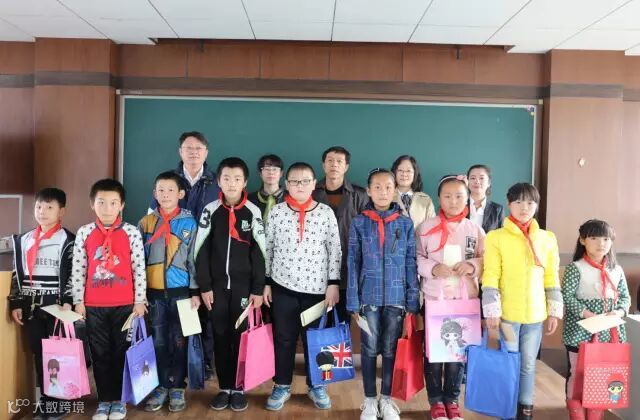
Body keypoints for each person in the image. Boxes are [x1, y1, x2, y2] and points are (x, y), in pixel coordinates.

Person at [263, 162, 342, 412]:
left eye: (305, 181)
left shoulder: (325, 213)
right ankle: (282, 384)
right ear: (286, 184)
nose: (300, 186)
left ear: (313, 184)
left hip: (317, 291)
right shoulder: (276, 212)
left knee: (315, 340)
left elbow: (335, 250)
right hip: (282, 287)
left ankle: (316, 384)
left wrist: (333, 283)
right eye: (295, 181)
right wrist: (266, 282)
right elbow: (268, 248)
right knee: (284, 338)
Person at [482, 182, 563, 420]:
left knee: (528, 364)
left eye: (529, 202)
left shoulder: (547, 238)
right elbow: (491, 275)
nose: (524, 207)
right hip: (507, 316)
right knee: (508, 363)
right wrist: (492, 311)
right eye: (518, 202)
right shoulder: (495, 237)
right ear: (508, 204)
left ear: (536, 205)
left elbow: (551, 275)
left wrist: (554, 310)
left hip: (535, 316)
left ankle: (525, 411)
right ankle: (506, 410)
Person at [70, 179, 147, 420]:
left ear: (121, 205)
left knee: (122, 352)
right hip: (94, 305)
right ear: (92, 204)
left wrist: (140, 300)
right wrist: (78, 301)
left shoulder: (131, 232)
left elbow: (138, 268)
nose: (107, 208)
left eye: (113, 203)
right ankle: (105, 400)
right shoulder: (84, 232)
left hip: (125, 305)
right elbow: (79, 269)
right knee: (99, 353)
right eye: (101, 202)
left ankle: (120, 400)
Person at [194, 157, 266, 412]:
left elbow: (260, 253)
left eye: (237, 179)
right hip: (215, 290)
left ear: (245, 182)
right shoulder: (210, 210)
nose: (232, 183)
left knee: (241, 337)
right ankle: (224, 387)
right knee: (220, 335)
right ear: (218, 181)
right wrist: (204, 286)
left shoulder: (253, 212)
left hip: (243, 289)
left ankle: (239, 388)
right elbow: (200, 250)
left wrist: (257, 289)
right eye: (226, 178)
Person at [347, 168, 419, 420]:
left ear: (395, 190)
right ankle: (369, 401)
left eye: (388, 187)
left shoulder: (405, 223)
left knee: (390, 349)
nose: (382, 192)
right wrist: (353, 299)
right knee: (368, 348)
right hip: (368, 297)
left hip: (397, 299)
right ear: (368, 191)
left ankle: (386, 400)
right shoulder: (359, 222)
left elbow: (411, 262)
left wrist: (412, 299)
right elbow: (352, 262)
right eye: (377, 187)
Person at [150, 131, 220, 380]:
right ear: (180, 152)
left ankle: (203, 363)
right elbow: (154, 218)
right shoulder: (168, 181)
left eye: (198, 148)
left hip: (209, 256)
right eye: (188, 148)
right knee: (175, 324)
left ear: (206, 152)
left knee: (206, 314)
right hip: (174, 262)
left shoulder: (216, 181)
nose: (193, 153)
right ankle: (172, 372)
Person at [417, 175, 485, 420]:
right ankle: (436, 400)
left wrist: (472, 265)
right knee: (434, 354)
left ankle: (452, 400)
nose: (453, 201)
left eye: (458, 196)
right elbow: (416, 257)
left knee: (458, 354)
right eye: (447, 196)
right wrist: (433, 268)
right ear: (439, 198)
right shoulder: (425, 228)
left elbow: (486, 258)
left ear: (467, 198)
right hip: (435, 301)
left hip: (464, 301)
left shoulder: (474, 229)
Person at [8, 188, 75, 420]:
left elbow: (74, 274)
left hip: (56, 305)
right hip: (31, 305)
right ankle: (44, 401)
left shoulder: (68, 240)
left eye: (49, 207)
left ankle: (59, 401)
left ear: (61, 211)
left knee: (57, 355)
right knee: (38, 353)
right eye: (39, 206)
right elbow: (17, 274)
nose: (42, 211)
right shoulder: (24, 240)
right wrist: (16, 302)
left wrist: (68, 301)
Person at [138, 171, 201, 413]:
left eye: (170, 190)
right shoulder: (145, 223)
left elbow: (194, 260)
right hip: (154, 295)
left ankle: (177, 386)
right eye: (160, 190)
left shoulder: (190, 223)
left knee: (180, 341)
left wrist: (195, 291)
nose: (165, 195)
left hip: (182, 293)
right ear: (154, 194)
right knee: (159, 341)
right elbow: (138, 261)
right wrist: (140, 294)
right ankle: (161, 385)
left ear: (181, 194)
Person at [562, 219, 631, 420]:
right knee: (578, 374)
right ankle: (576, 414)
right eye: (594, 238)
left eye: (606, 239)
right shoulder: (576, 268)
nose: (601, 243)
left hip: (609, 333)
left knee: (602, 374)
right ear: (583, 240)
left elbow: (625, 297)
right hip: (580, 333)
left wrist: (619, 312)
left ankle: (595, 414)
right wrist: (587, 314)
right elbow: (567, 296)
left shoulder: (616, 269)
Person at [313, 146, 369, 322]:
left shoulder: (359, 195)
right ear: (323, 165)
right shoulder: (311, 192)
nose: (334, 165)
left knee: (342, 322)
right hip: (315, 269)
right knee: (317, 323)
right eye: (330, 161)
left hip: (348, 268)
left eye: (339, 161)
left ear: (346, 167)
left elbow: (367, 232)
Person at [391, 155, 435, 229]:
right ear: (394, 172)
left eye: (408, 171)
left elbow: (432, 228)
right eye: (400, 170)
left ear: (415, 174)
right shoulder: (386, 197)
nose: (404, 174)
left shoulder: (426, 200)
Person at [466, 164, 504, 233]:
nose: (477, 181)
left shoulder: (497, 209)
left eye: (481, 178)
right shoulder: (460, 205)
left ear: (489, 183)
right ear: (467, 182)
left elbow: (500, 236)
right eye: (473, 178)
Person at [248, 154, 285, 224]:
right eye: (267, 169)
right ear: (260, 173)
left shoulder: (290, 198)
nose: (271, 172)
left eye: (275, 169)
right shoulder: (249, 199)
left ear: (281, 173)